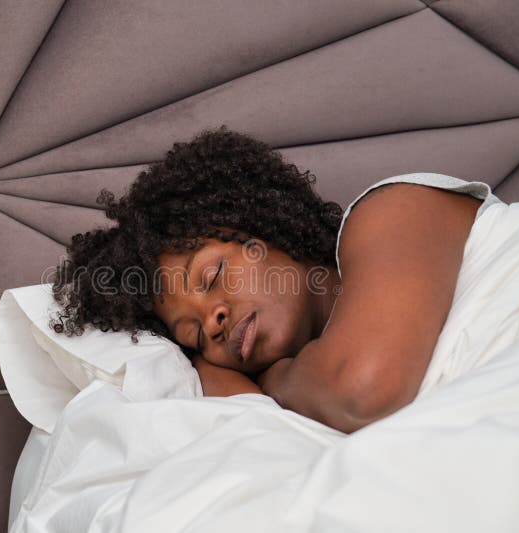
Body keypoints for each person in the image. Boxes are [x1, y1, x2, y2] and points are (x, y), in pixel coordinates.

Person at [51, 125, 485, 433]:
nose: (213, 321)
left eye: (212, 274)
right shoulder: (308, 395)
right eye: (195, 337)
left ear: (266, 229)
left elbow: (362, 392)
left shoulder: (394, 209)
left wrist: (274, 381)